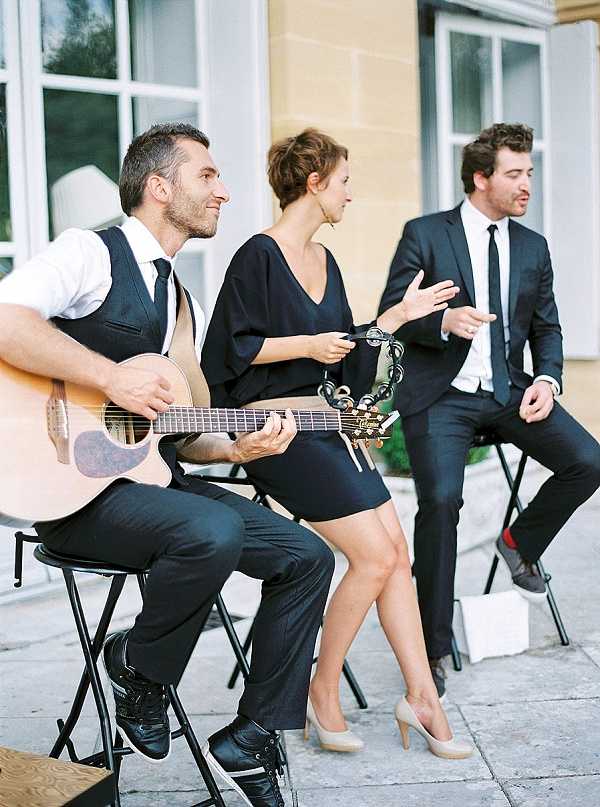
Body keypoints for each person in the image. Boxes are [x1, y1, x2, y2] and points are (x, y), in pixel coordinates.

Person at [0, 123, 336, 807]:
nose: (224, 190)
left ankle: (252, 733)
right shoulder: (91, 254)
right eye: (207, 176)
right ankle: (138, 669)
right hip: (75, 499)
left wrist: (236, 446)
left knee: (306, 554)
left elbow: (179, 438)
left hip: (149, 486)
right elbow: (5, 318)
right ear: (160, 187)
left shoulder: (181, 302)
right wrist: (109, 377)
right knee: (211, 532)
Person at [202, 128, 473, 759]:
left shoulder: (329, 263)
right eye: (344, 181)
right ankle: (322, 692)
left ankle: (421, 697)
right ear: (314, 182)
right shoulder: (257, 256)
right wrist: (305, 346)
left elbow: (345, 367)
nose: (351, 195)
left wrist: (396, 320)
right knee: (374, 559)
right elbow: (227, 356)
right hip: (276, 432)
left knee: (396, 552)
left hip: (327, 424)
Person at [378, 122, 600, 697]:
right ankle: (432, 644)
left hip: (509, 393)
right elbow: (392, 315)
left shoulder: (533, 246)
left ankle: (519, 544)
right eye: (515, 173)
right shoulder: (425, 234)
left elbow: (548, 326)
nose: (527, 184)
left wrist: (547, 380)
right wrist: (441, 320)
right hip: (441, 398)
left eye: (529, 172)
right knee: (442, 501)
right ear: (481, 178)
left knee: (589, 461)